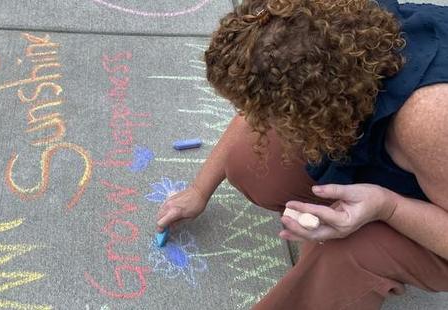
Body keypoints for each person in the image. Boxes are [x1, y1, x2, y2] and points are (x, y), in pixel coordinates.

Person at [155, 0, 448, 309]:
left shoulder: (429, 121)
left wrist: (387, 208)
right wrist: (199, 189)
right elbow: (267, 90)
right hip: (412, 153)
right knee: (251, 161)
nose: (254, 120)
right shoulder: (324, 34)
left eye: (266, 113)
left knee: (343, 255)